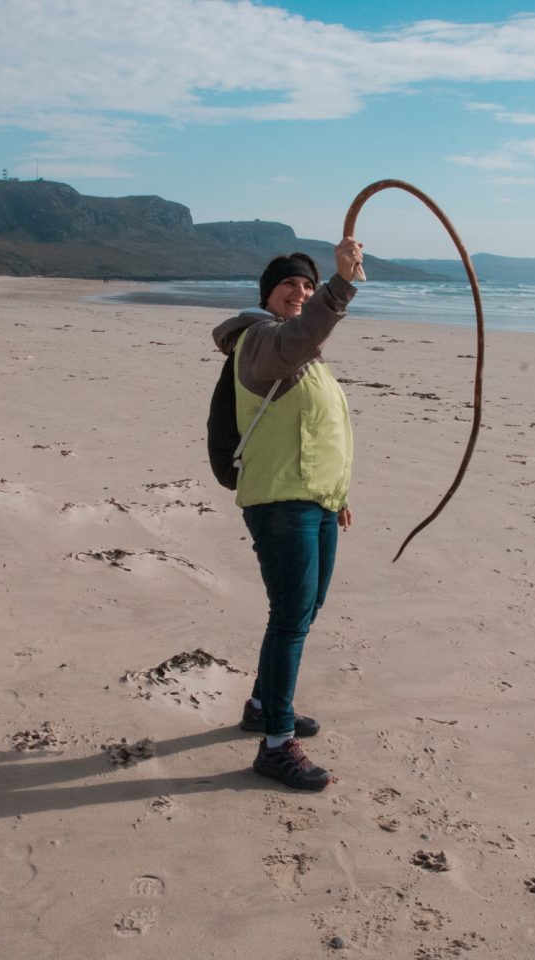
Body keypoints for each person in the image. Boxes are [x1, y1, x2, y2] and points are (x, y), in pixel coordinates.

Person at [211, 237, 363, 791]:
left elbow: (323, 432)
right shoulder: (261, 342)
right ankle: (275, 744)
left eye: (307, 283)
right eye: (290, 284)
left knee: (305, 608)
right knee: (291, 616)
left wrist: (337, 495)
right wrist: (340, 286)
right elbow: (304, 334)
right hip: (280, 500)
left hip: (315, 499)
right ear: (267, 295)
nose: (300, 291)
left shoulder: (304, 356)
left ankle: (262, 704)